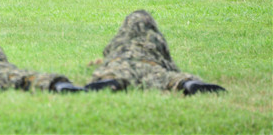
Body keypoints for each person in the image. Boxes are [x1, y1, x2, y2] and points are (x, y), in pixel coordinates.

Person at [85, 10, 226, 95]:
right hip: (152, 65)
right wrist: (174, 72)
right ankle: (187, 84)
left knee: (114, 75)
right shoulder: (156, 38)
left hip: (122, 63)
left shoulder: (120, 39)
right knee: (169, 79)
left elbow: (108, 54)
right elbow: (169, 62)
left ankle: (110, 83)